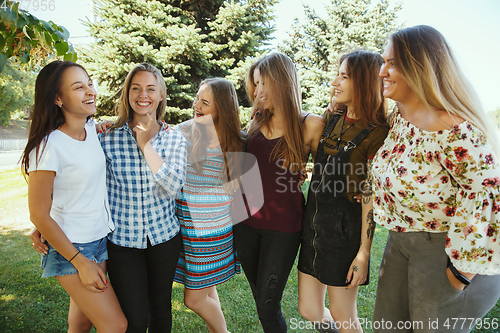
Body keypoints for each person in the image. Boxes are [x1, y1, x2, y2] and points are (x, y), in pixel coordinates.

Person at [371, 25, 500, 332]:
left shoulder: (456, 130)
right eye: (383, 62)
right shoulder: (400, 119)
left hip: (443, 251)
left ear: (419, 68)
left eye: (392, 63)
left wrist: (461, 272)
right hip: (399, 243)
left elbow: (490, 197)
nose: (382, 72)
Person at [23, 60, 127, 333]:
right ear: (58, 98)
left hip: (98, 240)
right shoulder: (48, 146)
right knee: (116, 325)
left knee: (81, 323)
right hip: (71, 250)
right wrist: (80, 262)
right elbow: (38, 213)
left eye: (90, 83)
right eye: (78, 87)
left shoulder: (91, 130)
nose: (90, 91)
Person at [233, 52, 325, 332]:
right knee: (263, 300)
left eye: (263, 83)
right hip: (245, 224)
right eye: (255, 84)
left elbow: (328, 178)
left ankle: (330, 326)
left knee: (267, 305)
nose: (257, 91)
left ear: (282, 82)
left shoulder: (310, 124)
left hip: (283, 230)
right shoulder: (256, 122)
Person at [297, 50, 389, 333]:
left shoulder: (377, 133)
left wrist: (363, 253)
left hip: (345, 234)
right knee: (309, 309)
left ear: (362, 82)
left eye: (344, 76)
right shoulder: (332, 118)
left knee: (342, 314)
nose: (335, 81)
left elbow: (369, 198)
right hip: (313, 228)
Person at [99, 63, 187, 332]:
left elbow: (173, 186)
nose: (143, 95)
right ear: (127, 94)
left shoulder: (174, 139)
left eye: (150, 88)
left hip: (164, 238)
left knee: (160, 310)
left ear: (161, 95)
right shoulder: (107, 137)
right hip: (123, 242)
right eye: (135, 88)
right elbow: (82, 181)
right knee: (134, 319)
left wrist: (145, 146)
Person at [173, 78, 245, 333]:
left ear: (222, 109)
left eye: (205, 102)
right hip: (186, 229)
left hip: (212, 233)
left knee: (193, 298)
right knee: (206, 287)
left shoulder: (236, 142)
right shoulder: (183, 131)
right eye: (197, 99)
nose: (197, 106)